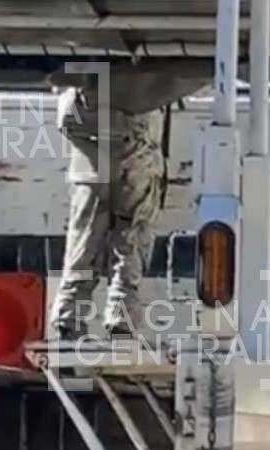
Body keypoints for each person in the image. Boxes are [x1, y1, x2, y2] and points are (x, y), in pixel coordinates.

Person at [50, 84, 167, 339]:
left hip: (90, 168)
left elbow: (65, 119)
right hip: (136, 160)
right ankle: (120, 320)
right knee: (130, 240)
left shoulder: (82, 77)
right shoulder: (144, 77)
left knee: (84, 245)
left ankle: (71, 317)